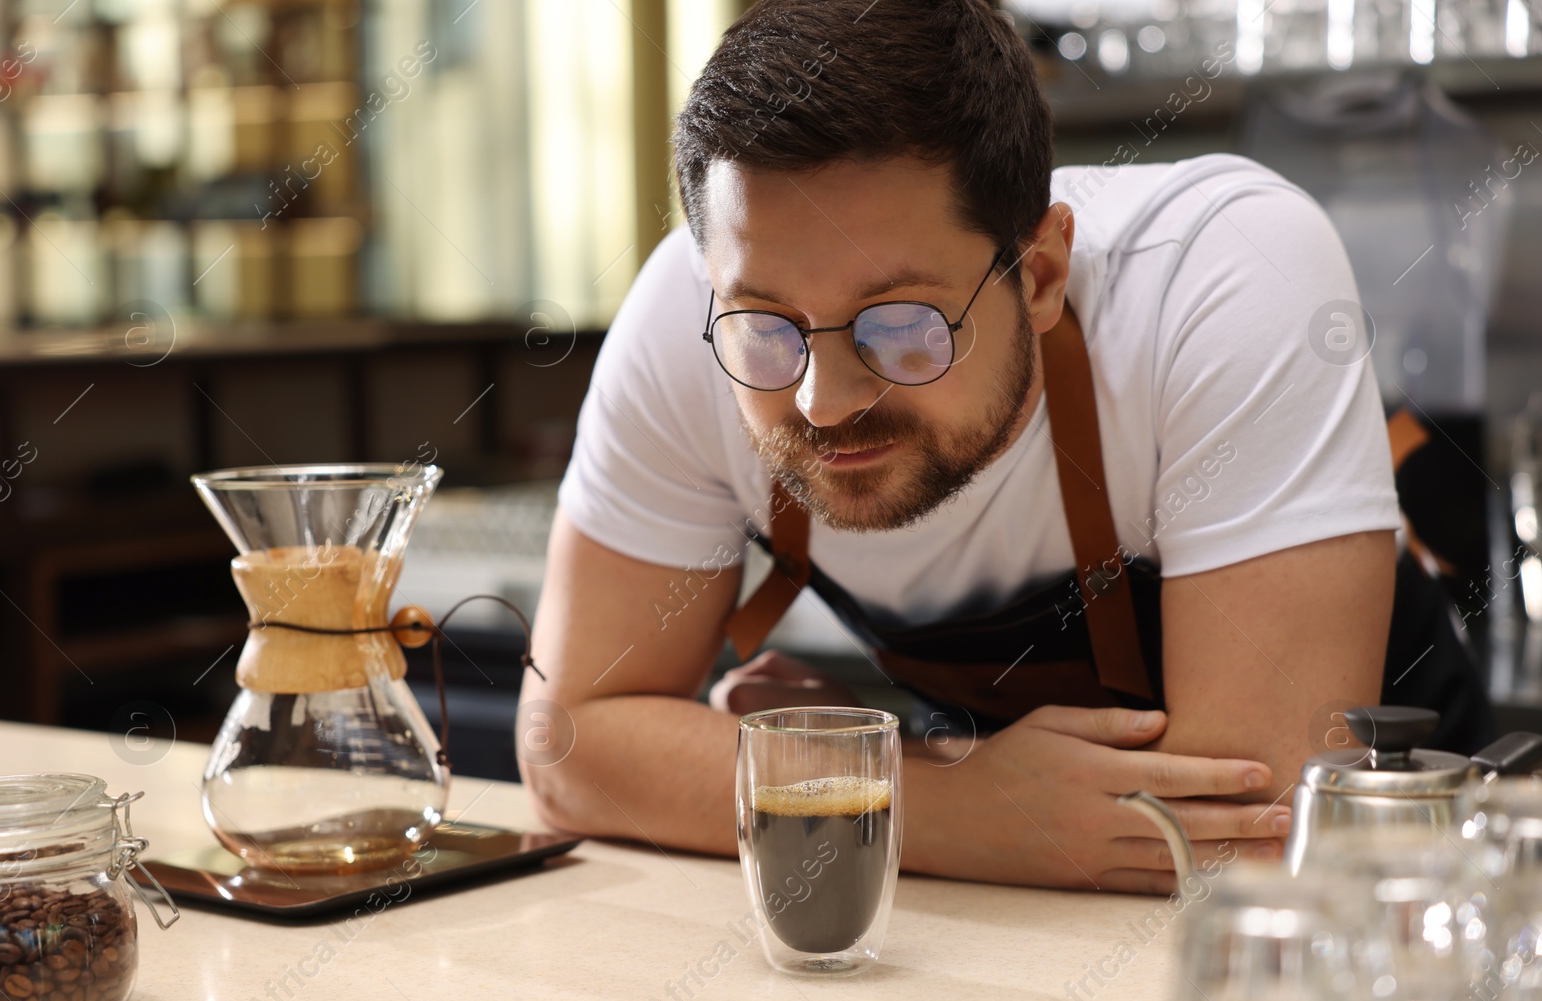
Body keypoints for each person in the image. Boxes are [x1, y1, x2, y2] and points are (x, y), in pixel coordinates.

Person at [516, 0, 1472, 893]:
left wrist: (829, 777)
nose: (824, 400)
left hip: (1392, 884)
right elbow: (567, 746)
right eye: (768, 329)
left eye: (901, 326)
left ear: (1044, 272)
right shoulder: (684, 317)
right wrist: (950, 801)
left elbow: (1242, 831)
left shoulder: (1226, 272)